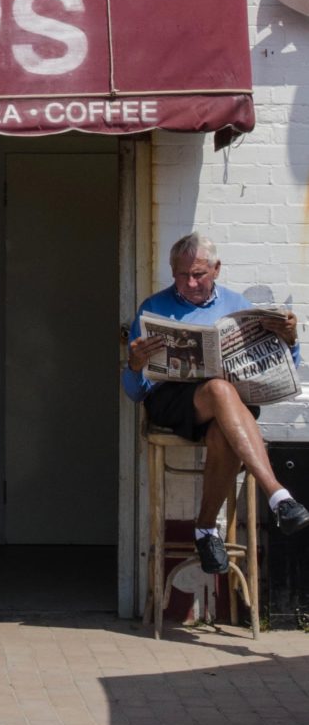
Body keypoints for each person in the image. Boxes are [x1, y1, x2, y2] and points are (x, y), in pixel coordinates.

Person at [126, 231, 309, 575]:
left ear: (217, 269)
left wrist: (289, 338)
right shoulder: (153, 308)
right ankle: (279, 496)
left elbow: (287, 367)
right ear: (172, 271)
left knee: (223, 430)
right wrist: (134, 365)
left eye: (199, 274)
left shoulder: (238, 306)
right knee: (219, 391)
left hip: (230, 405)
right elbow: (135, 392)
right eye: (182, 275)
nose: (191, 283)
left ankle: (205, 529)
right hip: (174, 401)